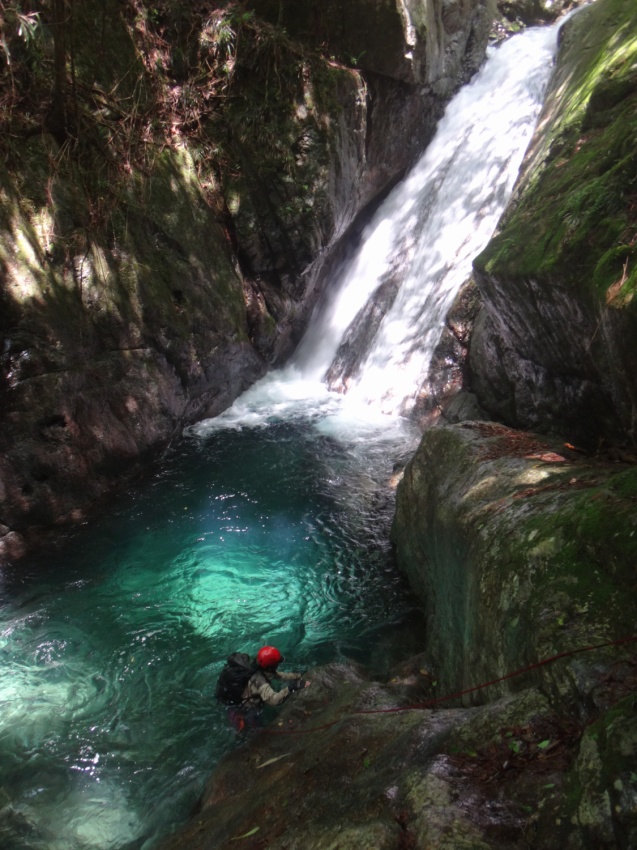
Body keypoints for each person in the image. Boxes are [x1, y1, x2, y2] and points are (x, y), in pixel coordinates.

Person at [227, 645, 310, 731]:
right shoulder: (259, 680)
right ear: (271, 666)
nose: (277, 666)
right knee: (257, 733)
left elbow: (280, 676)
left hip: (236, 704)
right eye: (276, 664)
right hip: (246, 710)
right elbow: (274, 700)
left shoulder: (256, 666)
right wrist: (291, 688)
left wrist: (299, 676)